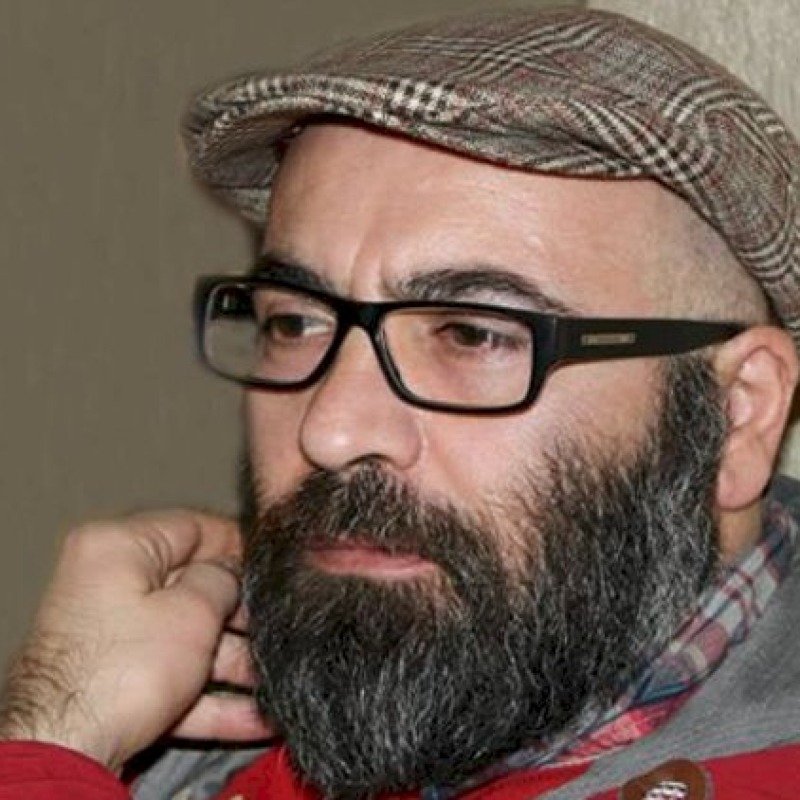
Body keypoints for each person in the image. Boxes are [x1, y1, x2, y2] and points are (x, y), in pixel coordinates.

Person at [1, 6, 799, 799]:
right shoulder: (176, 717)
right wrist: (76, 720)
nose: (331, 430)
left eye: (472, 334)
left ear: (738, 415)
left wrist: (47, 746)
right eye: (297, 322)